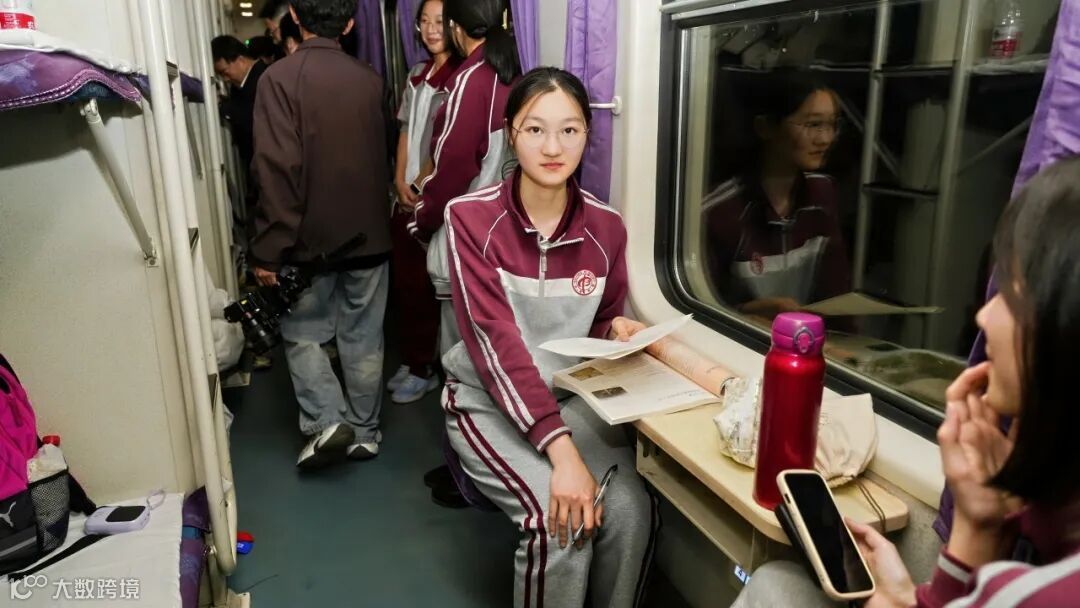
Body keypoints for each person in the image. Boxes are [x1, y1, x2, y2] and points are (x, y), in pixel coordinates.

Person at [732, 156, 1080, 607]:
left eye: (1011, 297)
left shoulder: (1035, 594)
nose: (983, 317)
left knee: (774, 588)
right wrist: (972, 529)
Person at [442, 67, 657, 608]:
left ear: (588, 135)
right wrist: (562, 454)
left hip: (570, 401)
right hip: (486, 401)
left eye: (570, 130)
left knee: (632, 513)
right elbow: (496, 347)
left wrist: (616, 330)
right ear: (510, 134)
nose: (554, 147)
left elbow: (599, 321)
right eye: (535, 129)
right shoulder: (470, 219)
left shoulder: (607, 228)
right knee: (557, 522)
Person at [251, 0, 391, 468]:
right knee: (364, 337)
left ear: (294, 15)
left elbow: (276, 169)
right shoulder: (371, 80)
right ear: (349, 23)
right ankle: (365, 433)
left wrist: (269, 250)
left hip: (305, 242)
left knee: (304, 334)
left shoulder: (278, 79)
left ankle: (328, 420)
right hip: (369, 237)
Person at [408, 0, 521, 508]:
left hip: (467, 244)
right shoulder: (511, 73)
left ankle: (473, 476)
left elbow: (451, 169)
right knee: (491, 361)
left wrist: (421, 219)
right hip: (504, 243)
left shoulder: (472, 80)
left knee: (462, 365)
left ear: (456, 27)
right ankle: (471, 468)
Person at [702, 72, 850, 323]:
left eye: (832, 124)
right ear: (766, 127)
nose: (826, 138)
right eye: (813, 125)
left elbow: (836, 290)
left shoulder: (822, 193)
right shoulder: (721, 210)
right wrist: (748, 312)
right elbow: (702, 309)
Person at [386, 0, 459, 405]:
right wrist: (399, 180)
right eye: (425, 22)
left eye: (440, 22)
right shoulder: (417, 74)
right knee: (408, 285)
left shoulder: (461, 77)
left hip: (435, 197)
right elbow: (404, 131)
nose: (432, 30)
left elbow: (449, 143)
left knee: (436, 288)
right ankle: (416, 360)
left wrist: (417, 183)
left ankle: (428, 368)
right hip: (406, 194)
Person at [211, 35, 267, 198]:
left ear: (240, 60)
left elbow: (254, 119)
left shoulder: (264, 79)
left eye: (224, 72)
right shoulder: (242, 84)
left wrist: (223, 107)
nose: (225, 79)